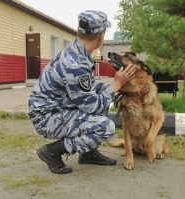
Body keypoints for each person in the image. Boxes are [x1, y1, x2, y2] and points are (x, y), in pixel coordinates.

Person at [28, 10, 136, 174]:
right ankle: (52, 151)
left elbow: (92, 91)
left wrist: (113, 87)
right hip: (46, 117)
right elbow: (91, 106)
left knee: (104, 94)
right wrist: (116, 85)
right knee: (105, 128)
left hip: (56, 108)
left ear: (79, 31)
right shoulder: (76, 63)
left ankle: (88, 153)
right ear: (101, 36)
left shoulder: (78, 52)